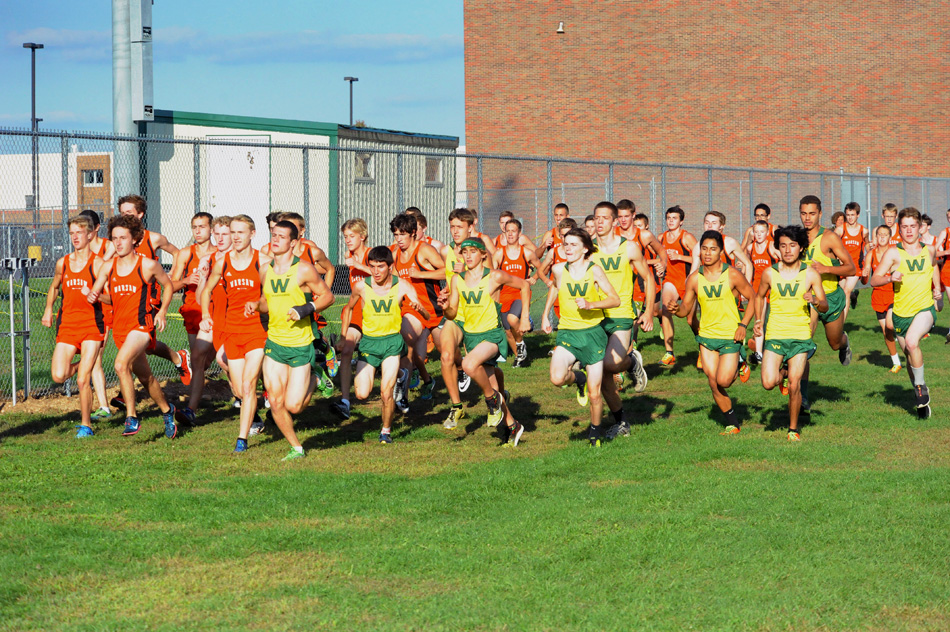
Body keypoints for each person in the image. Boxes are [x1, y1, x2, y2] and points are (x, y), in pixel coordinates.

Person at [240, 220, 334, 459]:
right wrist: (255, 305)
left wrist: (305, 309)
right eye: (274, 234)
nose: (275, 239)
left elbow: (327, 296)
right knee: (276, 400)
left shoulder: (303, 269)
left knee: (294, 406)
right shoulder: (265, 270)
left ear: (293, 243)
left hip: (301, 345)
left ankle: (316, 377)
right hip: (275, 343)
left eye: (281, 236)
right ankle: (297, 447)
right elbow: (265, 301)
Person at [86, 214, 178, 439]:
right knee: (147, 379)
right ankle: (168, 411)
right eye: (114, 238)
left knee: (119, 364)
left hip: (142, 326)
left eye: (123, 238)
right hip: (121, 329)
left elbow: (168, 286)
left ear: (135, 239)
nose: (117, 242)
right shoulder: (109, 266)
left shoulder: (148, 265)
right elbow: (104, 295)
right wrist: (94, 295)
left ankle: (131, 417)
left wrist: (163, 311)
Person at [667, 231, 756, 434]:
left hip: (730, 335)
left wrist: (743, 325)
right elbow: (685, 310)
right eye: (704, 249)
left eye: (713, 249)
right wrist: (676, 309)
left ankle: (740, 360)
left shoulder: (732, 274)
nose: (708, 253)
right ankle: (732, 423)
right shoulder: (694, 279)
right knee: (713, 382)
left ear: (721, 251)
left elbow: (753, 298)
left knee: (724, 380)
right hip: (706, 337)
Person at [445, 237, 529, 445]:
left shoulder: (495, 276)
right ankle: (513, 426)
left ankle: (491, 401)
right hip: (471, 338)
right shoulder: (457, 279)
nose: (468, 256)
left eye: (473, 251)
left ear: (484, 255)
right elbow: (453, 313)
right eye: (465, 253)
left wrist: (525, 317)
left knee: (468, 364)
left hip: (492, 336)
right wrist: (444, 306)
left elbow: (525, 285)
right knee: (493, 386)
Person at [541, 228, 620, 447]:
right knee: (557, 378)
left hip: (593, 334)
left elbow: (615, 300)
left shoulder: (594, 271)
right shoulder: (558, 269)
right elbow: (555, 289)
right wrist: (546, 315)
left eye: (574, 245)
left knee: (595, 395)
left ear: (585, 249)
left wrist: (591, 304)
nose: (568, 248)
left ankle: (595, 433)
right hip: (567, 332)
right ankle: (579, 378)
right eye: (566, 244)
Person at [343, 246, 430, 443]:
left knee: (385, 392)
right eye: (372, 266)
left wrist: (420, 308)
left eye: (380, 267)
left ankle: (386, 431)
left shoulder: (403, 285)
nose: (376, 271)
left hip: (392, 343)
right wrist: (343, 336)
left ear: (390, 267)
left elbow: (426, 315)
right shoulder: (361, 287)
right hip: (369, 344)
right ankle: (402, 373)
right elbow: (348, 309)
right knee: (362, 394)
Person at [752, 225, 828, 441]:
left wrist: (814, 300)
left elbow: (824, 306)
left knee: (795, 384)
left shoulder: (810, 274)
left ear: (801, 247)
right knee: (768, 382)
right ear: (778, 248)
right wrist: (758, 320)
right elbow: (759, 297)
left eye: (792, 245)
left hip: (800, 336)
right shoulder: (769, 273)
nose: (787, 250)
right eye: (783, 245)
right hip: (775, 335)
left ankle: (793, 429)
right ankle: (782, 371)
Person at [200, 215, 269, 446]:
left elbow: (269, 299)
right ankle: (257, 413)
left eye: (241, 232)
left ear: (252, 234)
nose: (236, 237)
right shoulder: (223, 262)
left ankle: (242, 439)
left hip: (256, 331)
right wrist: (205, 315)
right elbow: (206, 291)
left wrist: (258, 305)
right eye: (233, 232)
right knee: (240, 389)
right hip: (232, 331)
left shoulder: (264, 262)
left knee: (249, 385)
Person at [589, 202, 654, 441]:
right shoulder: (588, 249)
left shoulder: (629, 248)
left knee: (612, 363)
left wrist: (647, 312)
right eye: (596, 217)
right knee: (602, 373)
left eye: (605, 218)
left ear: (615, 221)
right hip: (595, 315)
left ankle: (631, 361)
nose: (599, 222)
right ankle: (621, 422)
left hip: (621, 312)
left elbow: (648, 279)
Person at [870, 207, 942, 419]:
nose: (909, 231)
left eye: (913, 226)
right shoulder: (893, 253)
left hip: (925, 309)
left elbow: (934, 267)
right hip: (902, 313)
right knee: (910, 357)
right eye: (904, 227)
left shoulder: (929, 249)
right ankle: (921, 397)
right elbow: (874, 279)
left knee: (912, 342)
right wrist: (890, 278)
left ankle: (920, 389)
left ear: (920, 228)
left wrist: (937, 290)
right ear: (898, 229)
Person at [42, 216, 107, 437]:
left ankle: (86, 425)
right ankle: (83, 365)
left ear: (90, 235)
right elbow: (54, 286)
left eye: (79, 232)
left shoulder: (98, 264)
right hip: (68, 325)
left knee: (82, 380)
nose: (75, 237)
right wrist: (48, 309)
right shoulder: (64, 262)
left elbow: (111, 298)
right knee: (59, 375)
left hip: (91, 325)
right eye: (72, 233)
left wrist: (95, 294)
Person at [116, 194, 191, 387]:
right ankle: (178, 358)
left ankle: (128, 389)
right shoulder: (118, 240)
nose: (125, 215)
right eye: (122, 212)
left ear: (140, 214)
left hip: (149, 300)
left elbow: (177, 253)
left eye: (129, 212)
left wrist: (173, 276)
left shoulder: (154, 238)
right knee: (143, 347)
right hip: (126, 298)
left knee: (141, 346)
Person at [684, 211, 753, 371]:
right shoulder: (699, 246)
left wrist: (745, 287)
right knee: (690, 319)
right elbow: (694, 269)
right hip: (704, 287)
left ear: (722, 226)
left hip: (728, 289)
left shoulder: (729, 242)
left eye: (713, 223)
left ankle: (739, 355)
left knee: (731, 322)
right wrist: (689, 286)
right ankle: (705, 345)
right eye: (707, 222)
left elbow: (747, 264)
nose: (709, 225)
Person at [390, 212, 446, 409]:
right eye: (396, 235)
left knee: (445, 355)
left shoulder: (424, 250)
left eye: (402, 235)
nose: (399, 239)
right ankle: (402, 396)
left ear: (413, 233)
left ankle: (431, 380)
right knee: (406, 344)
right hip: (411, 309)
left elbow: (447, 271)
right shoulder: (395, 254)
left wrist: (420, 273)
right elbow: (396, 283)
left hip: (433, 309)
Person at [169, 212, 216, 425]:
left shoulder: (220, 253)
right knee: (199, 362)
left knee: (210, 359)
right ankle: (191, 409)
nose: (198, 231)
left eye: (202, 227)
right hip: (192, 310)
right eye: (194, 227)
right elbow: (172, 284)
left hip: (216, 310)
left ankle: (243, 399)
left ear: (211, 229)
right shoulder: (185, 254)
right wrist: (187, 279)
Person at [800, 195, 857, 368]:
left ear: (820, 214)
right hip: (808, 297)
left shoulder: (829, 237)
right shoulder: (798, 238)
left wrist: (827, 269)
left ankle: (844, 343)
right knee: (803, 341)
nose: (807, 218)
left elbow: (851, 268)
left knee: (834, 343)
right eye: (803, 213)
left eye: (812, 213)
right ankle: (802, 392)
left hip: (831, 297)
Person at [493, 217, 549, 367]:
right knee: (508, 331)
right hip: (504, 294)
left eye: (514, 231)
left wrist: (535, 278)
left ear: (519, 234)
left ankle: (523, 331)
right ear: (504, 233)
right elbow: (492, 274)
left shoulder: (527, 253)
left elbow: (542, 266)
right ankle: (520, 358)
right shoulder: (499, 254)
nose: (510, 234)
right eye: (508, 231)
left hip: (521, 292)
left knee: (512, 319)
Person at [330, 219, 371, 420]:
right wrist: (343, 334)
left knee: (383, 355)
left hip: (376, 313)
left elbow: (388, 275)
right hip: (356, 313)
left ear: (362, 236)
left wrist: (358, 265)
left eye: (351, 236)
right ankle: (345, 401)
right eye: (345, 237)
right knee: (346, 350)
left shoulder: (371, 254)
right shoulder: (349, 258)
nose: (347, 240)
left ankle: (401, 378)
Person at [78, 209, 114, 420]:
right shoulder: (78, 252)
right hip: (91, 309)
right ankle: (104, 406)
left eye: (86, 229)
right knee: (95, 359)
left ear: (96, 229)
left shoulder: (108, 247)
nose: (82, 233)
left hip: (111, 304)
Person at [658, 205, 697, 364]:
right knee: (666, 310)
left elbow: (699, 258)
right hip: (671, 281)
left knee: (690, 320)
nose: (671, 221)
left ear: (681, 221)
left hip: (689, 282)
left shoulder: (687, 237)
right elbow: (659, 258)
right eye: (668, 218)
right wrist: (660, 266)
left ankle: (704, 347)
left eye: (674, 218)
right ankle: (669, 353)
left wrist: (680, 257)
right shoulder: (661, 238)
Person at [862, 224, 902, 373]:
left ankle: (905, 336)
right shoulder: (871, 254)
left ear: (890, 237)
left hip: (893, 295)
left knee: (890, 326)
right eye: (880, 234)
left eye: (885, 234)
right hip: (878, 297)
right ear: (876, 237)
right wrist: (864, 274)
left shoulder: (895, 253)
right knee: (887, 333)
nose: (882, 237)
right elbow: (865, 282)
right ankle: (896, 362)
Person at [746, 220, 780, 365]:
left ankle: (776, 349)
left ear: (767, 233)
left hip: (772, 287)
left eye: (762, 232)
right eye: (756, 232)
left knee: (773, 319)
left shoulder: (771, 246)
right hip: (757, 288)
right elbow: (748, 266)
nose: (759, 235)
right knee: (758, 320)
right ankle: (759, 353)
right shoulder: (750, 248)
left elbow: (784, 261)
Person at [836, 202, 867, 317]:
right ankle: (838, 319)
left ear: (858, 215)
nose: (850, 217)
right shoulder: (840, 230)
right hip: (842, 266)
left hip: (855, 267)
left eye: (852, 215)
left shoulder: (864, 231)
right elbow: (833, 244)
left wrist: (871, 246)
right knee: (841, 293)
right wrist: (837, 257)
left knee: (846, 291)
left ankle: (841, 323)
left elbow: (867, 246)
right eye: (848, 215)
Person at [934, 208, 950, 340]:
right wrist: (945, 252)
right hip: (948, 271)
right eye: (949, 217)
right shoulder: (945, 232)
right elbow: (934, 252)